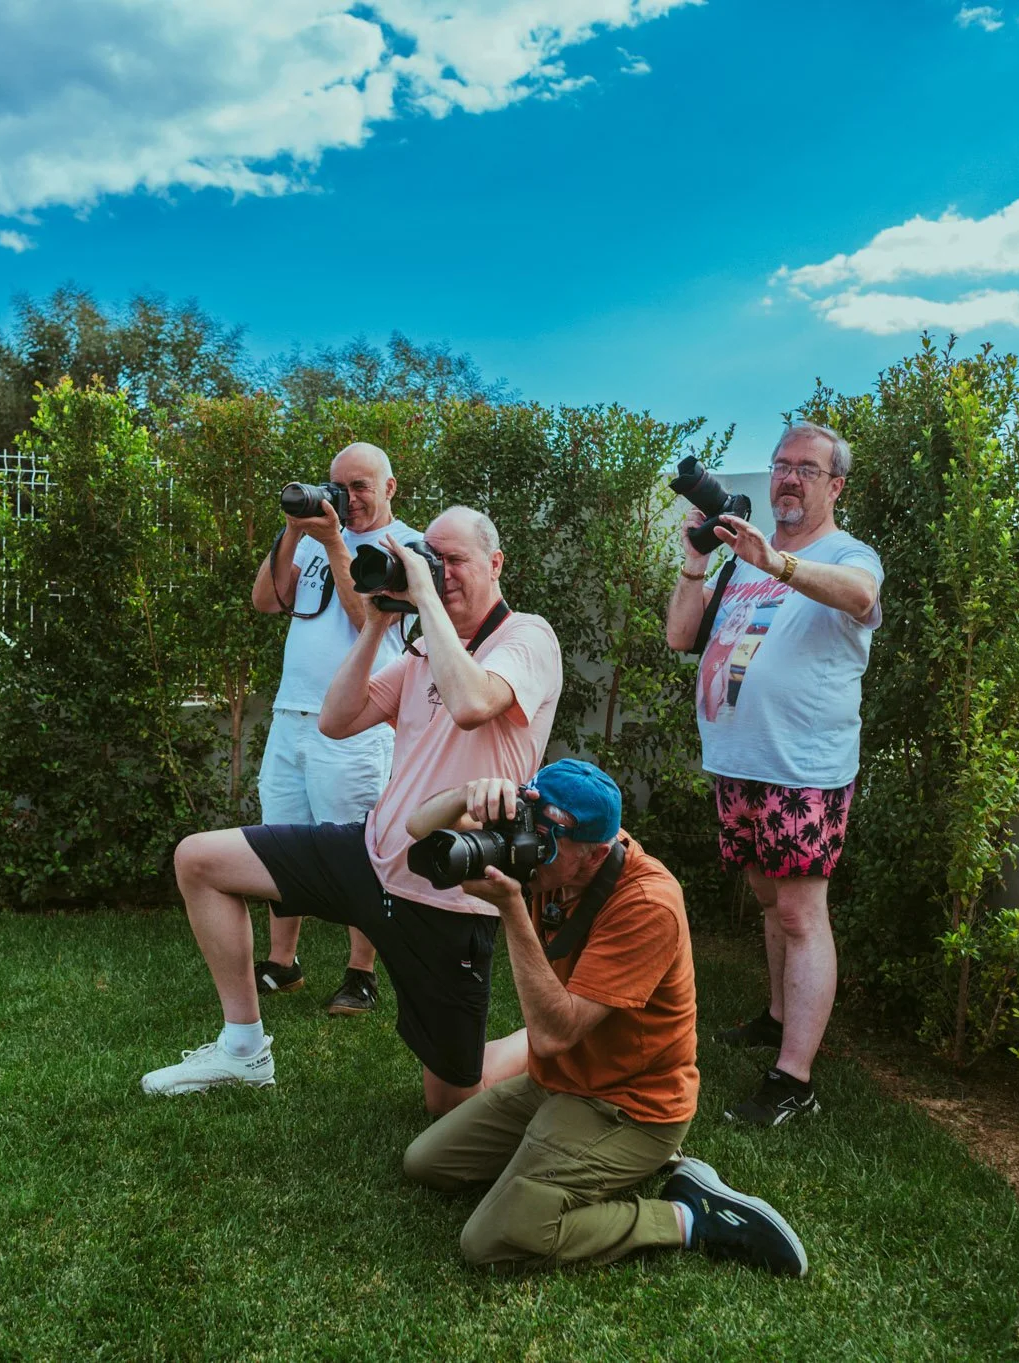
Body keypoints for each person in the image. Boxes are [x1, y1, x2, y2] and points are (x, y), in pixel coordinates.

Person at [143, 506, 564, 1116]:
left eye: (454, 560)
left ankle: (560, 1034)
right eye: (430, 559)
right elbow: (336, 720)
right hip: (368, 855)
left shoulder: (528, 637)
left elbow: (473, 701)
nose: (439, 572)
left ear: (496, 564)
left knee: (449, 1104)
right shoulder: (423, 652)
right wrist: (375, 624)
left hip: (447, 888)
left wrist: (421, 592)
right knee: (201, 859)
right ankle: (243, 1049)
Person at [399, 763, 808, 1275]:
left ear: (595, 853)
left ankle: (688, 1216)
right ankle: (573, 1164)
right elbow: (419, 829)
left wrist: (511, 909)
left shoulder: (646, 903)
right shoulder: (552, 856)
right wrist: (467, 791)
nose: (530, 851)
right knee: (426, 1163)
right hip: (559, 1083)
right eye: (530, 834)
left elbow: (552, 1035)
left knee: (491, 1240)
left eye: (546, 846)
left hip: (631, 1106)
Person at [663, 421, 882, 1128]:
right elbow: (678, 635)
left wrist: (779, 562)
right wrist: (696, 559)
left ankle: (794, 1077)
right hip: (740, 760)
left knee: (799, 909)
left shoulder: (847, 553)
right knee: (765, 896)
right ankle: (777, 1015)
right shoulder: (745, 560)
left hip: (802, 770)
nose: (787, 478)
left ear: (835, 484)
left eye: (806, 469)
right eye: (780, 465)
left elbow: (857, 596)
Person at [249, 441, 415, 1017]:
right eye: (339, 485)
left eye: (361, 486)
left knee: (357, 847)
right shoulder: (318, 538)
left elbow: (365, 619)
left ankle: (361, 973)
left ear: (390, 487)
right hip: (292, 715)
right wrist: (296, 533)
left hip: (356, 724)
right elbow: (266, 601)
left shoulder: (406, 548)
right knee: (279, 841)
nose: (348, 497)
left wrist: (336, 542)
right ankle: (282, 963)